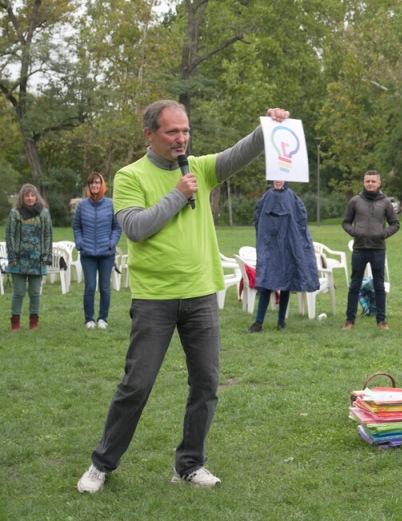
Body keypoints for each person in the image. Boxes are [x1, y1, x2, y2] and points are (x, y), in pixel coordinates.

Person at [77, 100, 290, 494]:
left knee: (206, 384)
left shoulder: (201, 167)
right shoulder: (129, 176)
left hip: (201, 295)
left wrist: (267, 129)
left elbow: (238, 154)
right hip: (154, 299)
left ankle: (189, 465)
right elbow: (136, 228)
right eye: (172, 132)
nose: (181, 139)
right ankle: (101, 463)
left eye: (186, 131)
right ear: (149, 134)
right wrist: (177, 194)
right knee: (137, 385)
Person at [246, 180, 319, 333]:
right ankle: (258, 322)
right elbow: (258, 219)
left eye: (281, 178)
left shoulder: (292, 198)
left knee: (286, 283)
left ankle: (281, 321)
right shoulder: (266, 197)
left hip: (287, 246)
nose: (278, 181)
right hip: (270, 246)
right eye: (275, 178)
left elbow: (300, 222)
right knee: (266, 283)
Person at [341, 170, 400, 330]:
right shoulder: (355, 201)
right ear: (363, 182)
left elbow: (395, 223)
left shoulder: (385, 202)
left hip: (378, 249)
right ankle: (349, 321)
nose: (370, 184)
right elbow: (346, 222)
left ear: (379, 183)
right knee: (354, 285)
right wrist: (355, 232)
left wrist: (383, 234)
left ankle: (381, 321)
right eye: (368, 181)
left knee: (379, 286)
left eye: (373, 181)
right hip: (359, 249)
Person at [72, 173, 123, 329]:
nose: (94, 186)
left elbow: (117, 227)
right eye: (91, 183)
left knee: (105, 288)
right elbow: (76, 226)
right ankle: (89, 319)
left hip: (106, 254)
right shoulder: (81, 205)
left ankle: (103, 319)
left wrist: (111, 242)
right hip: (87, 254)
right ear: (88, 186)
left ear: (102, 185)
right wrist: (79, 243)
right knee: (89, 287)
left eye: (97, 183)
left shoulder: (111, 204)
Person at [5, 184, 53, 332]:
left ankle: (33, 322)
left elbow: (48, 235)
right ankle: (15, 323)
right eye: (27, 195)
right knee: (18, 292)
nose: (30, 198)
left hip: (37, 261)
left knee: (34, 293)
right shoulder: (15, 213)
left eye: (32, 195)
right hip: (18, 260)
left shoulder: (44, 213)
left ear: (36, 197)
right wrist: (11, 256)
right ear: (22, 197)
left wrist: (46, 256)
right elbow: (9, 235)